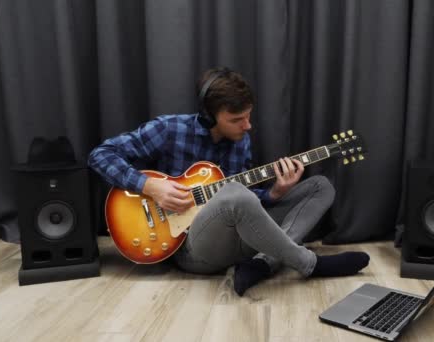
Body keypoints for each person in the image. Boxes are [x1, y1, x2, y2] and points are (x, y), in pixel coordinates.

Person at [88, 67, 369, 296]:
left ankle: (261, 264)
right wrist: (149, 186)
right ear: (211, 116)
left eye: (248, 116)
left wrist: (275, 192)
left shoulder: (240, 140)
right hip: (191, 249)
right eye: (237, 119)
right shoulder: (168, 129)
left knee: (320, 186)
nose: (247, 126)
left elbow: (244, 204)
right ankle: (309, 264)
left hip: (236, 237)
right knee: (234, 192)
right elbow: (100, 155)